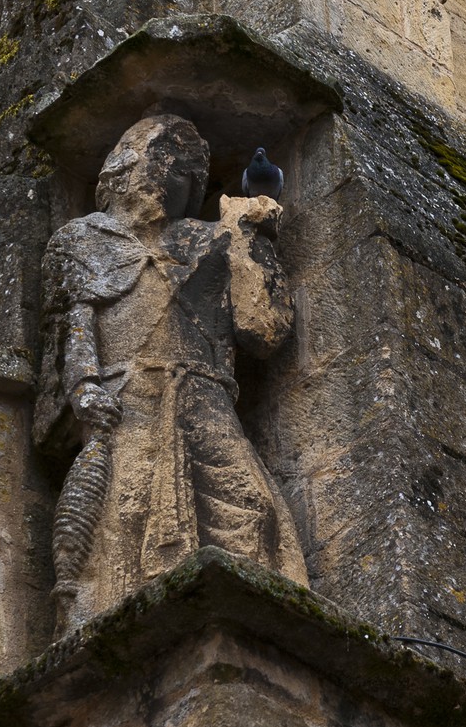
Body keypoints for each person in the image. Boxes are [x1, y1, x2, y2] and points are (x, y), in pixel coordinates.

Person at [35, 115, 307, 630]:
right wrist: (84, 387)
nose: (175, 175)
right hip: (128, 400)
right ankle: (115, 624)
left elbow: (264, 331)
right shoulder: (81, 239)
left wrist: (250, 238)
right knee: (126, 508)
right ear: (121, 170)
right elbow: (75, 323)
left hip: (206, 396)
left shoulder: (210, 240)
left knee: (253, 506)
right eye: (162, 158)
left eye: (190, 169)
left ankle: (253, 627)